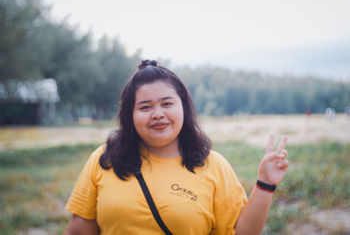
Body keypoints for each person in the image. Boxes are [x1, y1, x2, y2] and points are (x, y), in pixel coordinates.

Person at [64, 60, 288, 235]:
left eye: (167, 103)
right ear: (129, 115)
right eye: (145, 107)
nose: (158, 114)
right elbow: (79, 230)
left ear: (184, 107)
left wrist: (265, 184)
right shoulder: (105, 159)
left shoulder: (214, 165)